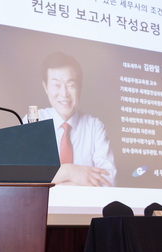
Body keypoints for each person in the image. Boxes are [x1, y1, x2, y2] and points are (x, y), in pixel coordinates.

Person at [24, 52, 116, 187]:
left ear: (80, 87)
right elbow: (24, 176)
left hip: (83, 202)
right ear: (46, 87)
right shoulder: (33, 121)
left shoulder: (95, 127)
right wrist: (69, 172)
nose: (64, 93)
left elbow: (108, 181)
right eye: (56, 85)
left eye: (71, 85)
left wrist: (52, 179)